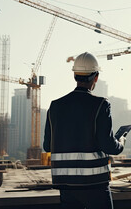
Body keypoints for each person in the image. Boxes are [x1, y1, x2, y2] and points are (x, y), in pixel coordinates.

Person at [43, 52, 126, 209]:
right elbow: (109, 146)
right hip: (94, 183)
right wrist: (121, 142)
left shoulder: (55, 106)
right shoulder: (101, 105)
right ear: (96, 77)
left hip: (65, 184)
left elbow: (48, 146)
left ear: (75, 75)